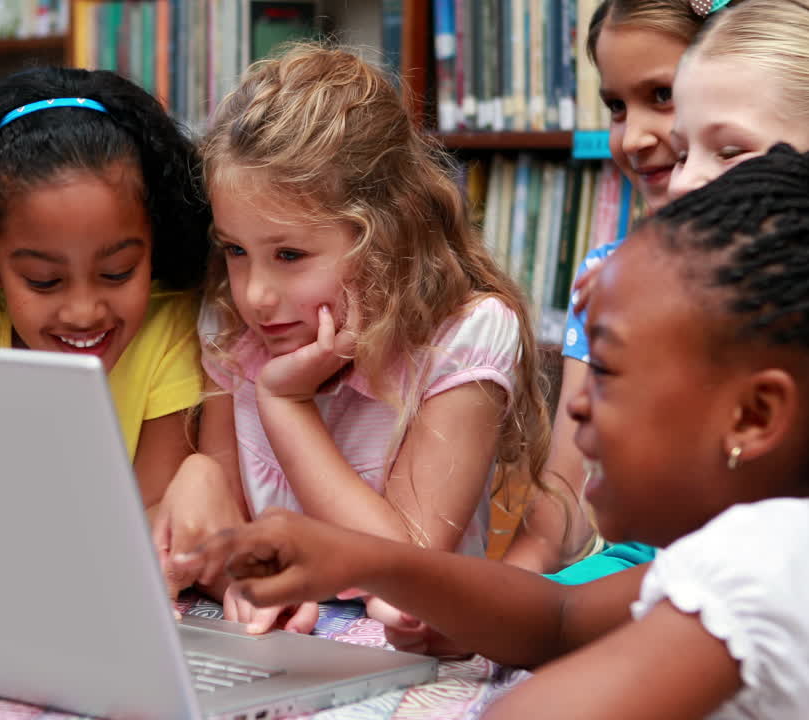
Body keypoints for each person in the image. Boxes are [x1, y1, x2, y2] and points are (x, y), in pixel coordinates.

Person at [178, 143, 809, 719]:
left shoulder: (771, 563)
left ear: (754, 416)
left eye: (613, 371)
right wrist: (370, 562)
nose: (579, 406)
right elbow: (553, 622)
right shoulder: (761, 550)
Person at [158, 45, 551, 635]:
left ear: (385, 237)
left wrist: (287, 405)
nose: (257, 294)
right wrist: (245, 582)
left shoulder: (463, 337)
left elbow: (409, 575)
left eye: (289, 255)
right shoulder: (232, 329)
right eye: (236, 251)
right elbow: (226, 535)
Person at [0, 68, 212, 514]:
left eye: (118, 271)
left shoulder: (170, 326)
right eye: (44, 281)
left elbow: (152, 515)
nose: (84, 312)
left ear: (154, 249)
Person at [503, 0, 708, 577]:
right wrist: (506, 589)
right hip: (637, 569)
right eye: (616, 107)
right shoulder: (606, 276)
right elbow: (563, 493)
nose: (634, 138)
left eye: (662, 96)